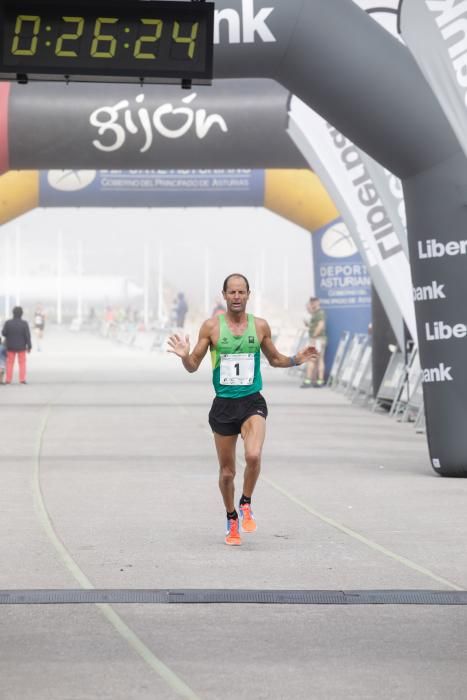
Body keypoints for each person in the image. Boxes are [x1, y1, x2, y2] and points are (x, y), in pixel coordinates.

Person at [168, 273, 318, 546]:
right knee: (227, 473)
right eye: (232, 292)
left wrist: (297, 359)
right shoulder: (211, 327)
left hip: (252, 402)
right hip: (224, 406)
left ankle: (246, 501)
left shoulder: (259, 326)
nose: (237, 297)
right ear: (224, 296)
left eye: (241, 292)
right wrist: (184, 357)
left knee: (253, 455)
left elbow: (274, 359)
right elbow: (193, 365)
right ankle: (232, 517)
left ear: (249, 295)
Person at [1, 306, 32, 384]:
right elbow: (27, 336)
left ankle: (8, 380)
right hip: (21, 347)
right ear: (21, 314)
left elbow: (4, 333)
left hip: (10, 346)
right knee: (22, 363)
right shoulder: (24, 323)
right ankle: (22, 379)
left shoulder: (8, 323)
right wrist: (29, 346)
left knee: (9, 363)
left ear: (13, 313)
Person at [301, 296, 327, 388]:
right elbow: (314, 325)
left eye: (314, 302)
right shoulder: (315, 314)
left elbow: (320, 325)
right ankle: (318, 380)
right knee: (318, 360)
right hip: (318, 339)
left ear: (318, 302)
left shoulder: (319, 313)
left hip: (317, 340)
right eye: (311, 302)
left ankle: (308, 381)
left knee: (312, 360)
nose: (312, 304)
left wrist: (314, 338)